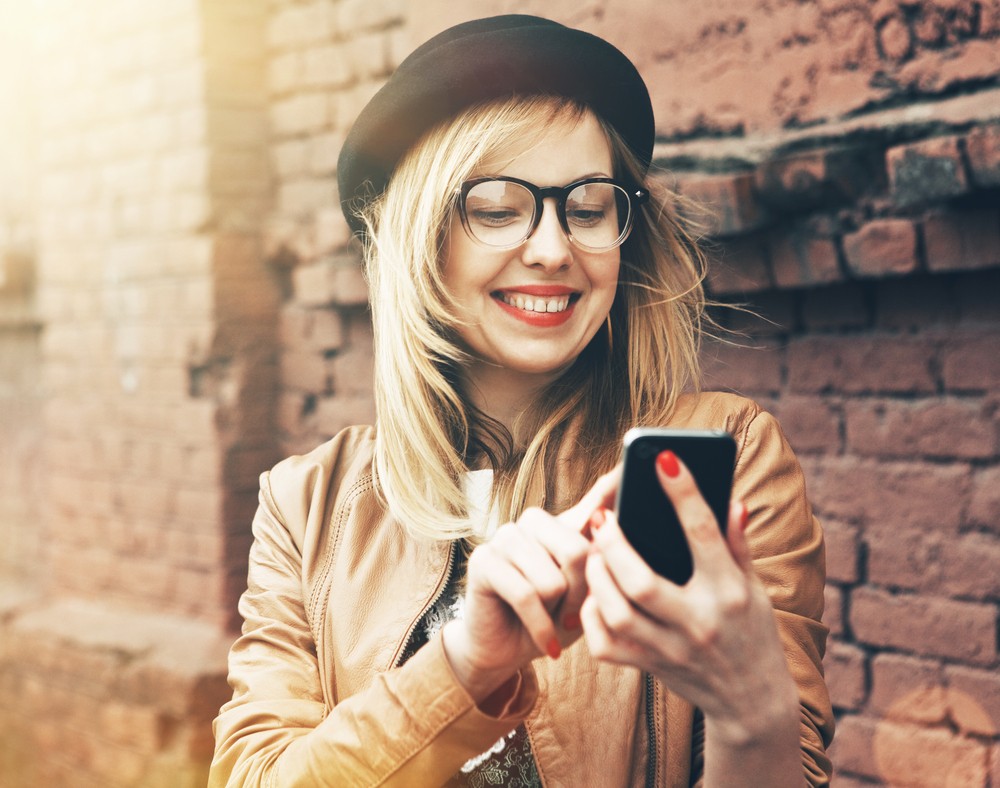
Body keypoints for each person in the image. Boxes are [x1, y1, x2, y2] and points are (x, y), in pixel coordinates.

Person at [210, 14, 834, 787]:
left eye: (588, 208)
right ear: (420, 236)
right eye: (499, 208)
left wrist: (753, 712)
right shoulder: (307, 507)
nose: (551, 248)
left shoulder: (728, 457)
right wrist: (463, 664)